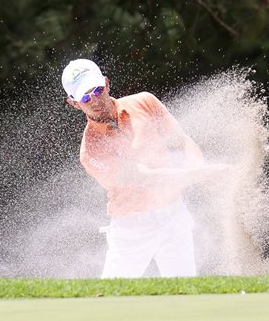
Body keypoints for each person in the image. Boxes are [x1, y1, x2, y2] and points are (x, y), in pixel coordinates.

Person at [62, 59, 228, 278]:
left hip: (174, 216)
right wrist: (198, 175)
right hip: (132, 228)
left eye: (98, 90)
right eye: (85, 97)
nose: (95, 100)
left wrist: (201, 167)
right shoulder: (91, 150)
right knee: (110, 298)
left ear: (107, 83)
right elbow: (143, 177)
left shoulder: (144, 102)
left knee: (184, 291)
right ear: (74, 103)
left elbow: (182, 141)